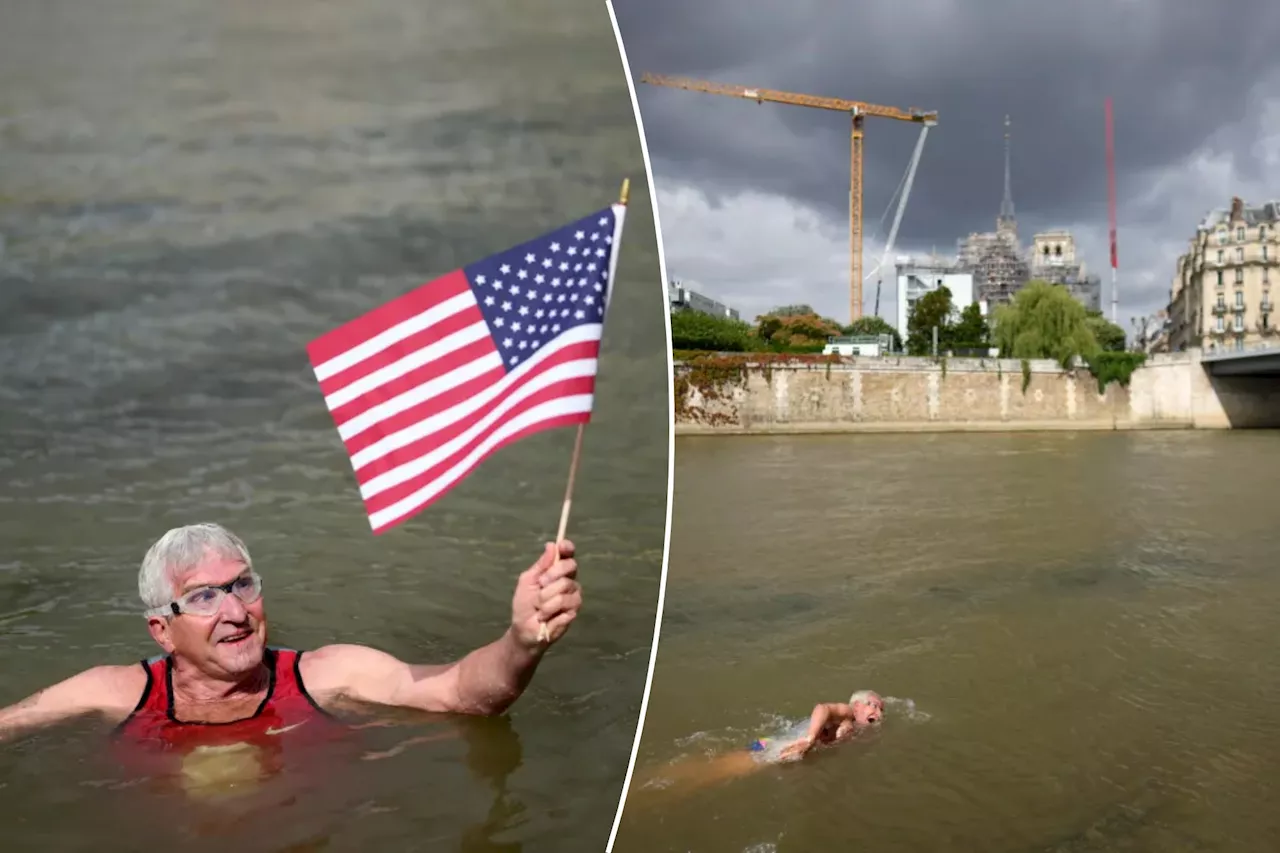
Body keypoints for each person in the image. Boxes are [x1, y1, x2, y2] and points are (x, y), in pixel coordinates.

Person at [0, 522, 582, 750]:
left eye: (243, 585)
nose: (236, 610)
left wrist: (520, 643)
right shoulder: (115, 693)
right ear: (163, 631)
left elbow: (460, 694)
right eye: (204, 596)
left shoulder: (325, 674)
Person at [632, 690, 884, 797]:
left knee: (714, 768)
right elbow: (822, 707)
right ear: (858, 704)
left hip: (771, 742)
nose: (878, 710)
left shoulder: (855, 727)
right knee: (713, 772)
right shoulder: (848, 712)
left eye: (880, 708)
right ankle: (643, 787)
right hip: (777, 745)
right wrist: (808, 740)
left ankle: (652, 781)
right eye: (874, 704)